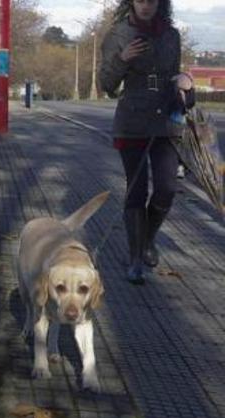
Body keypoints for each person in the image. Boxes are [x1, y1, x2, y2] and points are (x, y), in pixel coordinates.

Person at [99, 0, 195, 285]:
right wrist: (122, 59)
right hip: (132, 123)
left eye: (151, 0)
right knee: (136, 190)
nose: (145, 6)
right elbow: (106, 85)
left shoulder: (171, 35)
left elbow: (174, 78)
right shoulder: (118, 34)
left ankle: (147, 241)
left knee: (167, 188)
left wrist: (185, 85)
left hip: (166, 123)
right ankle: (135, 258)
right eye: (140, 0)